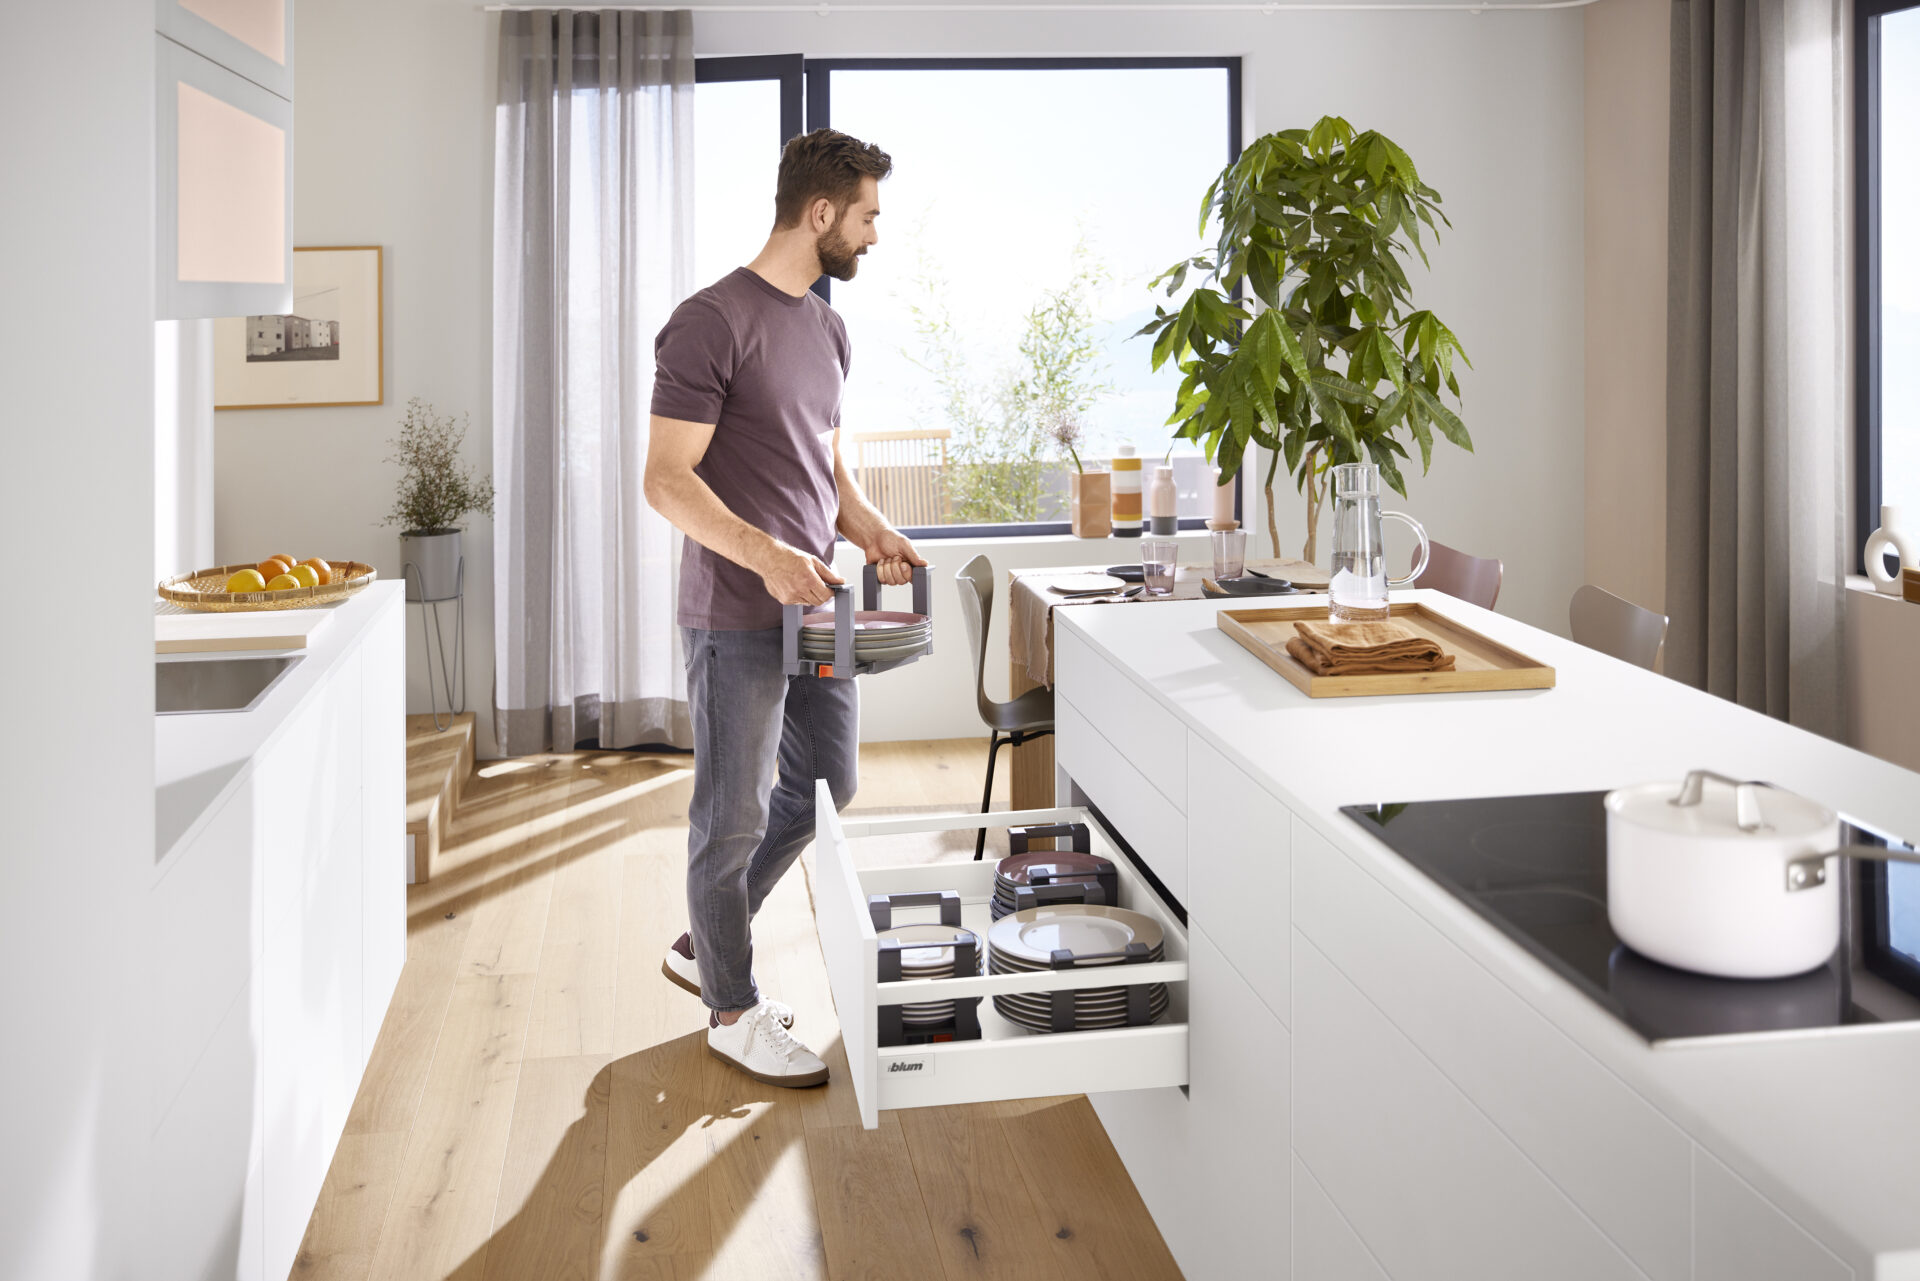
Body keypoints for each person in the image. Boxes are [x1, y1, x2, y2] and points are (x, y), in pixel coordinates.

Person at [643, 128, 924, 1087]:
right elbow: (666, 480)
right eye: (869, 215)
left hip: (817, 608)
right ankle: (731, 1004)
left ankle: (703, 944)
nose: (876, 235)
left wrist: (872, 529)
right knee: (729, 815)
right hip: (734, 611)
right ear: (821, 213)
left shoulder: (826, 326)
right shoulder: (709, 322)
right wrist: (765, 557)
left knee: (826, 786)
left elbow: (823, 466)